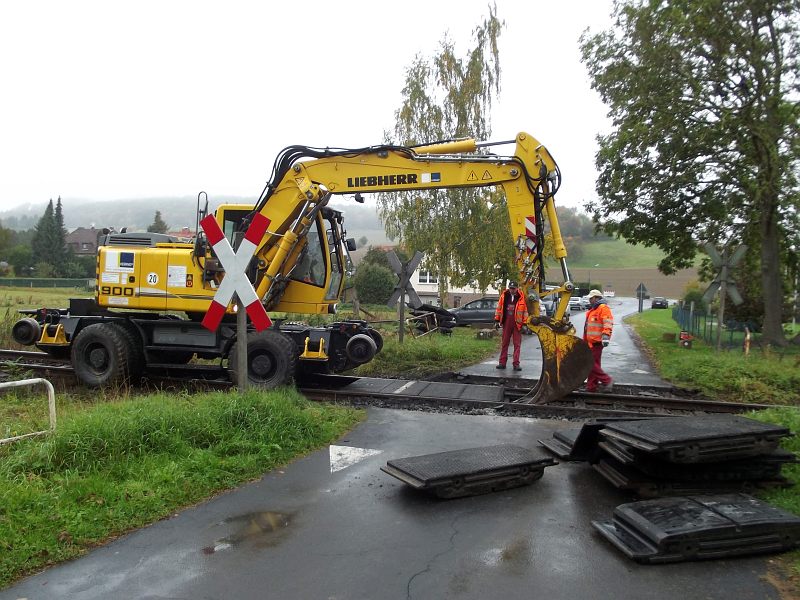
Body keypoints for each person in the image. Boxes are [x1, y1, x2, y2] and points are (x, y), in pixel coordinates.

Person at [583, 289, 614, 392]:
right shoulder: (593, 310)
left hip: (596, 342)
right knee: (594, 365)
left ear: (596, 298)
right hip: (590, 342)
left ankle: (607, 380)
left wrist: (606, 337)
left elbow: (608, 323)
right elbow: (587, 328)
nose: (589, 300)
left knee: (590, 363)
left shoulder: (603, 308)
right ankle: (591, 387)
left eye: (591, 298)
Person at [493, 281, 528, 371]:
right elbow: (499, 308)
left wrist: (524, 324)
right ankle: (502, 363)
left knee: (517, 344)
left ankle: (516, 364)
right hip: (506, 322)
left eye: (513, 288)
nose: (512, 290)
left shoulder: (521, 297)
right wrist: (497, 320)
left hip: (517, 324)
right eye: (510, 288)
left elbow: (524, 311)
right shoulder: (504, 296)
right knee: (504, 343)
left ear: (517, 288)